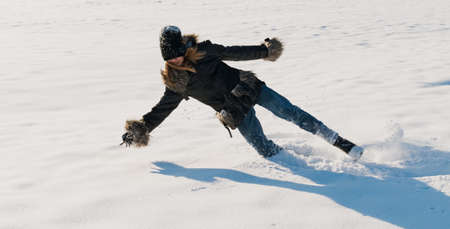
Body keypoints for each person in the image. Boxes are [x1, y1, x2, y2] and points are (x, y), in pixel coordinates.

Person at [121, 25, 363, 160]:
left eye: (177, 52)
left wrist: (264, 51)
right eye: (169, 57)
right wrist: (142, 128)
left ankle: (336, 140)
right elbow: (163, 108)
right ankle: (293, 162)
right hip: (233, 110)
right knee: (263, 149)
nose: (175, 58)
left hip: (248, 88)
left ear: (183, 47)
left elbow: (234, 52)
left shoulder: (205, 52)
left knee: (290, 112)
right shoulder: (176, 82)